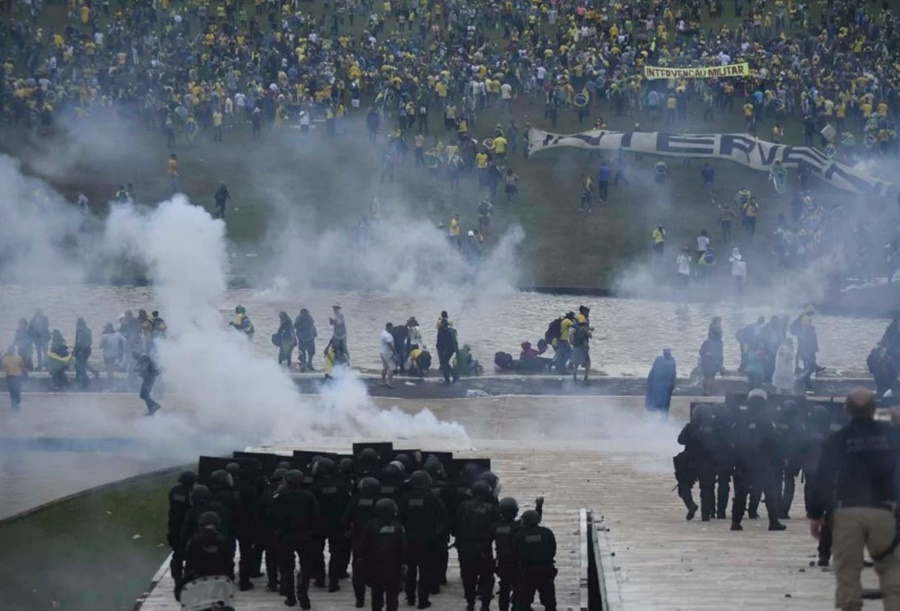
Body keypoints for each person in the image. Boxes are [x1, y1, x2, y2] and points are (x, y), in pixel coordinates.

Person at [809, 389, 900, 610]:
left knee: (848, 571)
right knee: (891, 569)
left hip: (847, 511)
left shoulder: (838, 439)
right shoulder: (889, 437)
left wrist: (815, 514)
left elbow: (822, 478)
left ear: (847, 410)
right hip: (884, 510)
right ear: (873, 409)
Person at [729, 390, 786, 532]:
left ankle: (736, 522)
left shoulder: (740, 420)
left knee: (740, 494)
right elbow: (774, 443)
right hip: (762, 462)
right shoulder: (766, 421)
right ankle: (773, 522)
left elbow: (732, 441)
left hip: (742, 462)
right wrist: (778, 459)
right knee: (769, 492)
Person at [398, 470, 446, 609]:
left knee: (410, 571)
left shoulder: (404, 498)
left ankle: (411, 598)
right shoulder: (433, 499)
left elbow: (398, 519)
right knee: (426, 571)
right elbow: (443, 520)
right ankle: (423, 600)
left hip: (409, 540)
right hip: (428, 540)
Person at [273, 470, 320, 609]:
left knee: (287, 568)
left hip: (285, 536)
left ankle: (290, 597)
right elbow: (316, 516)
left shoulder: (279, 495)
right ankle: (303, 594)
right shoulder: (309, 495)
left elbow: (272, 515)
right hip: (305, 536)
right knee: (306, 567)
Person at [456, 480, 498, 611]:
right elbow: (496, 530)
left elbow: (455, 526)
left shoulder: (463, 506)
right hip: (484, 549)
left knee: (468, 577)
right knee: (486, 577)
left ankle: (470, 603)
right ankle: (485, 605)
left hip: (466, 549)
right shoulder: (492, 509)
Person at [361, 498, 407, 611]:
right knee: (392, 595)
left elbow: (363, 546)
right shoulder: (398, 527)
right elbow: (403, 547)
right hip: (393, 567)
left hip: (375, 565)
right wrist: (404, 562)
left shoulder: (370, 525)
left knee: (376, 593)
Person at [343, 476, 382, 608]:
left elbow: (345, 519)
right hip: (377, 541)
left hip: (358, 539)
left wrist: (348, 531)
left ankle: (359, 599)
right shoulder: (380, 501)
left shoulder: (355, 500)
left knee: (358, 570)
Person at [513, 509, 557, 611]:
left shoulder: (520, 535)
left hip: (527, 571)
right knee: (549, 600)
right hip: (546, 570)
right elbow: (552, 549)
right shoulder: (547, 532)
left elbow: (516, 553)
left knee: (524, 600)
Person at [183, 511, 234, 587]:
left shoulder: (194, 540)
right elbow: (229, 563)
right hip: (219, 580)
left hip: (198, 579)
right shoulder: (223, 540)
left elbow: (188, 561)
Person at [168, 471, 198, 595]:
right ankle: (185, 578)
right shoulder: (191, 493)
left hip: (175, 527)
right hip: (185, 528)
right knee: (188, 555)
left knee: (178, 554)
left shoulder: (175, 491)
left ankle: (177, 577)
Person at [645, 348, 676, 416]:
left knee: (663, 404)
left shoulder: (670, 361)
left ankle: (662, 419)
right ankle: (657, 417)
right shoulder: (659, 360)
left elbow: (673, 374)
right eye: (665, 351)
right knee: (658, 402)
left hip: (665, 386)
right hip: (659, 385)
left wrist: (672, 384)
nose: (666, 353)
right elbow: (652, 372)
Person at [699, 321, 724, 397]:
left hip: (705, 362)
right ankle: (708, 391)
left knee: (706, 377)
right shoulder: (719, 343)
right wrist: (720, 364)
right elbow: (720, 354)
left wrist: (705, 356)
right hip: (713, 362)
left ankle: (704, 390)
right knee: (710, 377)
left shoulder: (706, 342)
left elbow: (701, 352)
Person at [436, 312, 459, 384]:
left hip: (444, 349)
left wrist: (439, 350)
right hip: (451, 349)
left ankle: (448, 379)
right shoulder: (452, 331)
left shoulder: (441, 332)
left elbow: (440, 342)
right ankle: (454, 375)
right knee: (446, 363)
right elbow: (455, 341)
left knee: (444, 364)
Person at [3, 345, 26, 411]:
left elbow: (3, 366)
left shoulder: (5, 358)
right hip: (16, 376)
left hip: (11, 376)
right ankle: (17, 402)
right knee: (16, 389)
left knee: (12, 390)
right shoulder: (18, 357)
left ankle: (14, 402)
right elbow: (22, 366)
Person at [380, 323, 397, 388]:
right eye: (391, 328)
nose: (392, 330)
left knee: (385, 367)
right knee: (392, 368)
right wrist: (395, 352)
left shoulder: (383, 332)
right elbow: (390, 345)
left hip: (382, 352)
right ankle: (389, 382)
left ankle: (383, 381)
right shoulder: (388, 336)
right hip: (388, 353)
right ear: (388, 327)